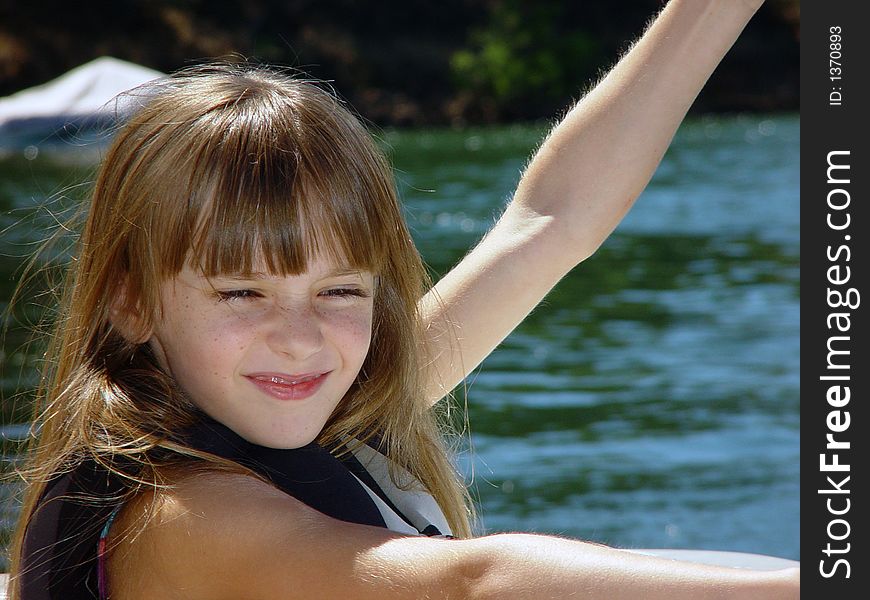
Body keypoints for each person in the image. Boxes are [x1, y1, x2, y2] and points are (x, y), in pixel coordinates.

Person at [7, 0, 798, 597]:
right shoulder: (183, 518)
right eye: (243, 291)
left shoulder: (327, 406)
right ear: (132, 303)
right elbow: (474, 583)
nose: (300, 337)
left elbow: (551, 220)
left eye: (340, 289)